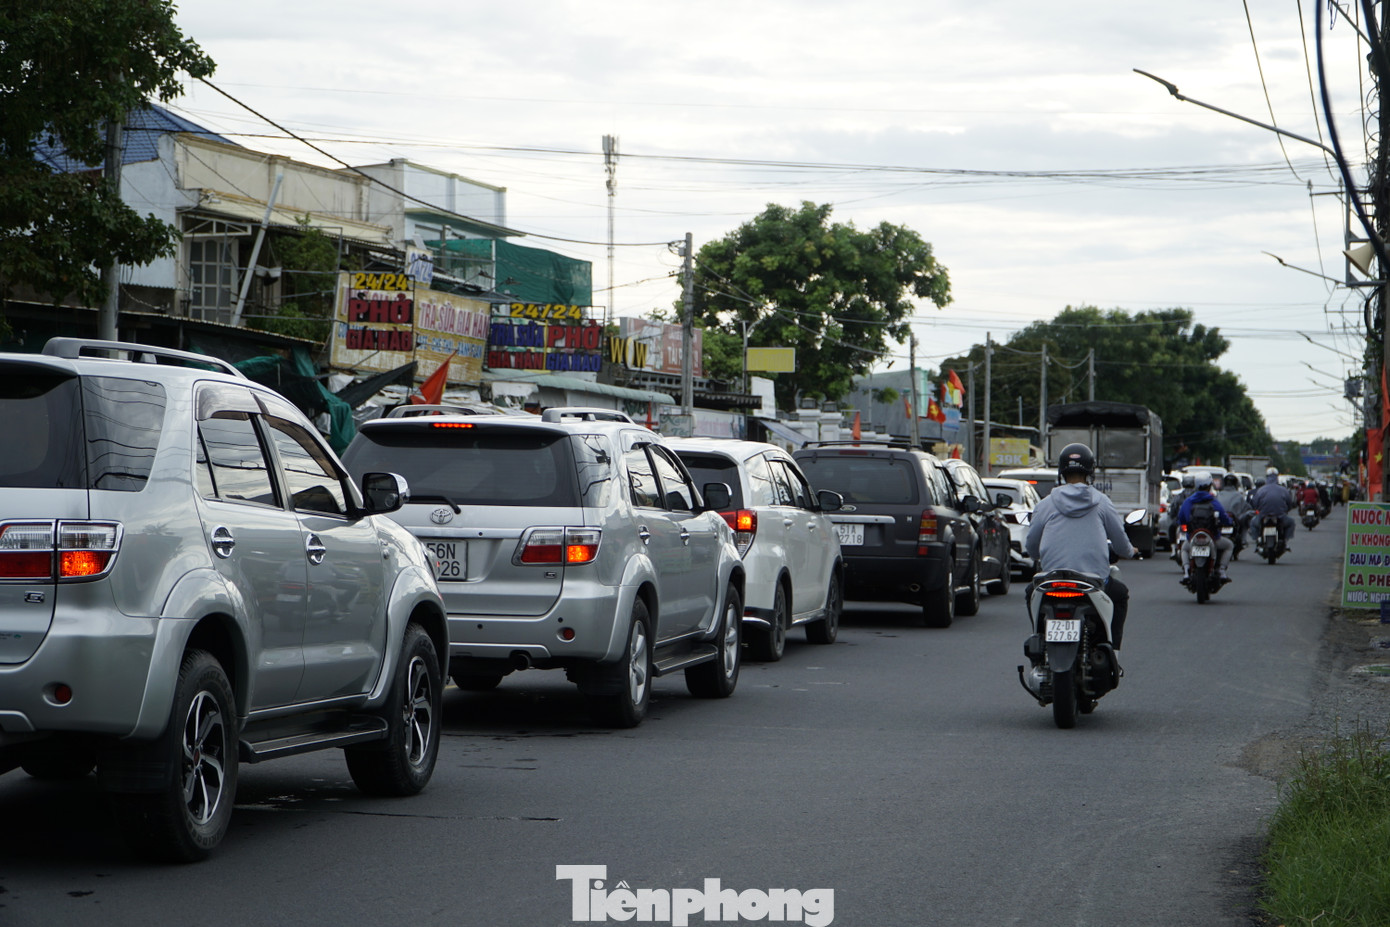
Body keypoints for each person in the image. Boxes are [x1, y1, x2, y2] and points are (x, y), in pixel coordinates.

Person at [1025, 443, 1137, 652]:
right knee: (1120, 594)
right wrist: (1131, 551)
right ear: (1090, 471)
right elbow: (1122, 546)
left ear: (1061, 471)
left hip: (1051, 582)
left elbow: (1031, 547)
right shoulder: (1102, 502)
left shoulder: (1045, 504)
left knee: (1030, 591)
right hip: (1092, 582)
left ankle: (1039, 643)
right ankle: (1111, 651)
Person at [1177, 472, 1234, 582]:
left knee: (1184, 548)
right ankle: (1221, 570)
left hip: (1192, 538)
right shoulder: (1214, 502)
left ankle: (1186, 572)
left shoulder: (1188, 501)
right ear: (1209, 486)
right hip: (1213, 538)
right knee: (1229, 545)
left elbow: (1181, 519)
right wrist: (1229, 522)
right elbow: (1224, 518)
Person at [1250, 467, 1295, 549]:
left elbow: (1255, 503)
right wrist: (1285, 511)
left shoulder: (1261, 490)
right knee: (1291, 523)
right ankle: (1285, 541)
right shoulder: (1283, 490)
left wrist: (1259, 510)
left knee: (1253, 523)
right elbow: (1289, 503)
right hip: (1280, 516)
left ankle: (1257, 540)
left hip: (1263, 516)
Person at [1216, 472, 1252, 558]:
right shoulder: (1238, 495)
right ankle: (1243, 540)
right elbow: (1247, 508)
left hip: (1229, 520)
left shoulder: (1219, 495)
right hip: (1228, 520)